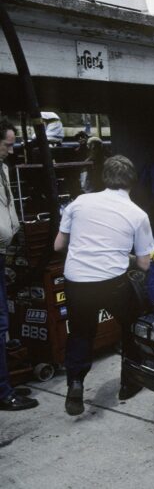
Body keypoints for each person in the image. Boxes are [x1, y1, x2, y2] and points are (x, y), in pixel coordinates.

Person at [54, 155, 154, 415]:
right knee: (131, 324)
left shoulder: (79, 202)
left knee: (80, 332)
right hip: (112, 281)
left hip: (76, 279)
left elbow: (58, 246)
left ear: (104, 178)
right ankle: (128, 383)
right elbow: (145, 264)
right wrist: (126, 256)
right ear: (132, 181)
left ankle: (75, 382)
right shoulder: (137, 214)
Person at [0, 122, 37, 411]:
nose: (11, 151)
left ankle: (4, 386)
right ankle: (3, 392)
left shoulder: (3, 168)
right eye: (8, 144)